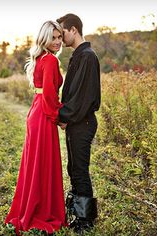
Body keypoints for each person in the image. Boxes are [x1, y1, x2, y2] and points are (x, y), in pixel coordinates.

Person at [5, 21, 66, 235]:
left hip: (36, 112)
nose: (58, 42)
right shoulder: (49, 60)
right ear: (44, 38)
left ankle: (32, 205)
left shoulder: (41, 58)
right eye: (54, 38)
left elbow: (44, 92)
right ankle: (41, 210)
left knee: (36, 163)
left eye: (60, 37)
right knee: (43, 163)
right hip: (44, 114)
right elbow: (49, 94)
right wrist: (59, 117)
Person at [57, 13, 101, 234]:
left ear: (73, 30)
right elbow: (72, 93)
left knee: (80, 170)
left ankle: (86, 220)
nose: (60, 37)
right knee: (73, 168)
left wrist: (64, 116)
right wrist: (65, 117)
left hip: (82, 122)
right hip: (76, 122)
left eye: (62, 32)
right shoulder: (78, 55)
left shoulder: (87, 56)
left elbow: (83, 97)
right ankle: (78, 214)